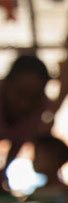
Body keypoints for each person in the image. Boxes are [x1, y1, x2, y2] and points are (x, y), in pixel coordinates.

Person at [0, 54, 52, 184]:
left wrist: (3, 172)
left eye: (33, 98)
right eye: (20, 93)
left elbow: (18, 141)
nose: (25, 104)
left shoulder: (40, 106)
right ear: (6, 83)